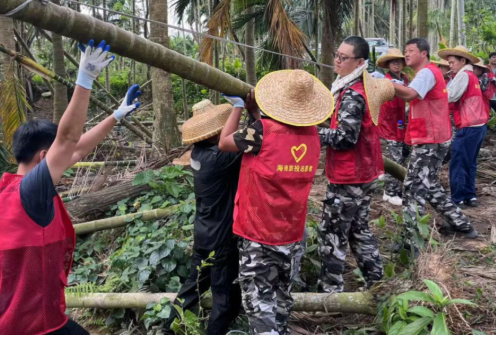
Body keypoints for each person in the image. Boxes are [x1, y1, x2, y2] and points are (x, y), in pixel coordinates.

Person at [0, 40, 141, 335]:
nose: (64, 158)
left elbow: (75, 150)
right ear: (44, 157)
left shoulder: (5, 192)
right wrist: (85, 79)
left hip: (7, 320)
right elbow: (68, 141)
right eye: (55, 153)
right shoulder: (30, 192)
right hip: (30, 326)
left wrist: (115, 116)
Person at [219, 70, 333, 335]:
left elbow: (225, 143)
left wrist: (237, 108)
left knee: (259, 307)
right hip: (292, 234)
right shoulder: (313, 136)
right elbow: (278, 138)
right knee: (281, 302)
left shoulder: (261, 131)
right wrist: (256, 115)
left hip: (259, 235)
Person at [163, 100, 243, 335]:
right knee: (225, 296)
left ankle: (167, 330)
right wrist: (243, 108)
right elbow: (252, 139)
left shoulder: (198, 153)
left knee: (193, 286)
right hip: (222, 237)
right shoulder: (220, 158)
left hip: (204, 233)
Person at [391, 38, 477, 246]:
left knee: (413, 189)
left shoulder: (427, 73)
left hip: (430, 139)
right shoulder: (426, 74)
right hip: (434, 137)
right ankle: (462, 224)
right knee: (429, 186)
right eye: (406, 50)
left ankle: (413, 240)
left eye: (411, 50)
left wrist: (389, 84)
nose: (407, 54)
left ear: (424, 53)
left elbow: (411, 94)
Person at [317, 36, 388, 292]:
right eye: (337, 55)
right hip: (364, 172)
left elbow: (346, 138)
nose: (337, 60)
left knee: (332, 234)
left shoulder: (351, 94)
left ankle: (330, 292)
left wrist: (312, 133)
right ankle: (377, 283)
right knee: (359, 230)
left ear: (359, 62)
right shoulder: (357, 88)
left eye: (343, 58)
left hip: (349, 176)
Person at [438, 47, 490, 209]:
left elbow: (450, 96)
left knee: (458, 162)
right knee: (470, 162)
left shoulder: (463, 76)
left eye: (452, 62)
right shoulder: (472, 76)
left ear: (463, 61)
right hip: (479, 125)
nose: (450, 65)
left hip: (469, 125)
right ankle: (470, 196)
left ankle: (457, 197)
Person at [376, 48, 410, 206]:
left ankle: (389, 182)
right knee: (394, 158)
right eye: (393, 62)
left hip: (400, 121)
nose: (396, 64)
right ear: (388, 64)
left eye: (399, 61)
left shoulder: (405, 78)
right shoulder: (384, 80)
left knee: (402, 154)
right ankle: (390, 192)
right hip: (388, 121)